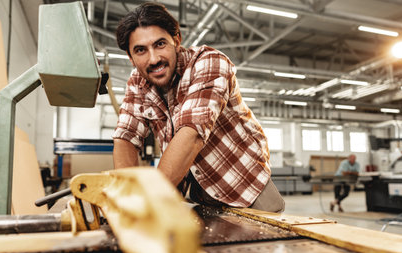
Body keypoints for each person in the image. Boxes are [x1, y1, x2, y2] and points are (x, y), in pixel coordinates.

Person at [112, 2, 284, 212]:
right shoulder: (137, 81)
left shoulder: (209, 63)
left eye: (160, 44)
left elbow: (191, 134)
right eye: (141, 50)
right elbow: (126, 136)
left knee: (264, 241)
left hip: (244, 185)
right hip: (198, 190)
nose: (154, 59)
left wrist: (148, 204)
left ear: (176, 40)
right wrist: (125, 195)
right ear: (131, 58)